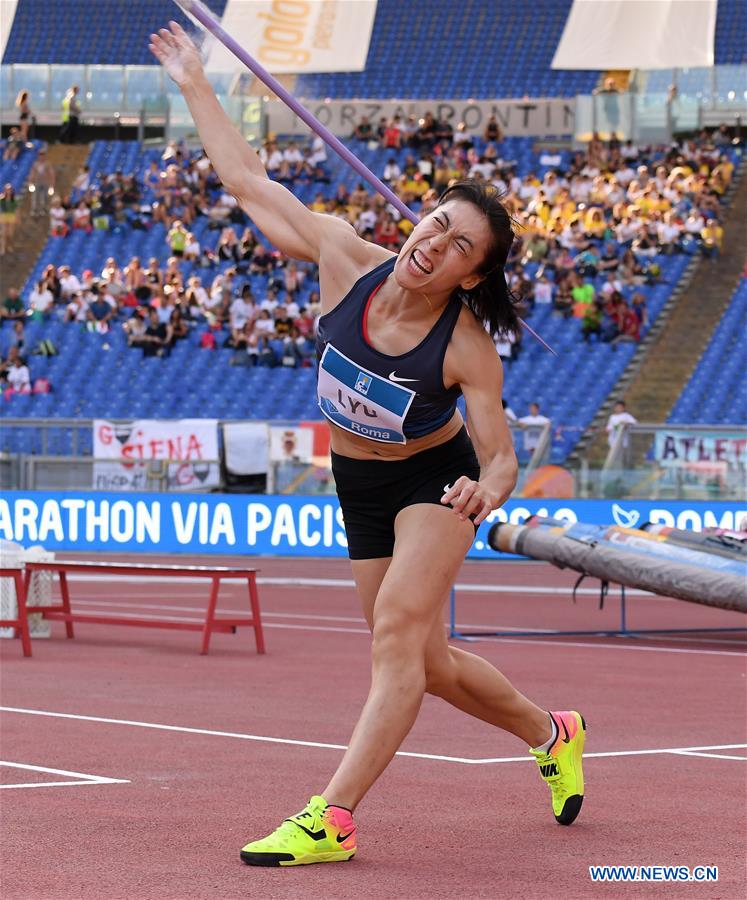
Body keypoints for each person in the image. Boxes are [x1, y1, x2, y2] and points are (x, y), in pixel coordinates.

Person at [151, 21, 586, 868]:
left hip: (435, 481)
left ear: (472, 275)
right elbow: (246, 178)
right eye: (436, 223)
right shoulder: (343, 258)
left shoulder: (466, 346)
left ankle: (332, 819)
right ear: (417, 221)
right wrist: (196, 82)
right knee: (425, 662)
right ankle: (550, 730)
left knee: (393, 637)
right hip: (359, 483)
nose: (436, 243)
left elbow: (499, 455)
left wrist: (487, 491)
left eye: (461, 246)